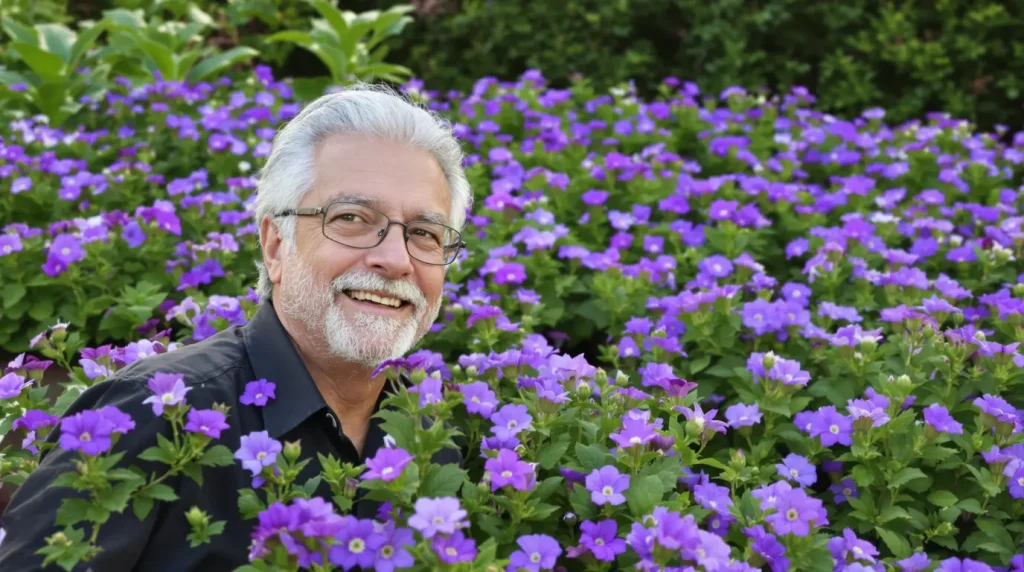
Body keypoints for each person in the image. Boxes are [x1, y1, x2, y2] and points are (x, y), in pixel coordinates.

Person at [0, 83, 473, 570]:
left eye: (424, 233)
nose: (395, 259)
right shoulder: (152, 416)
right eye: (351, 217)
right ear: (274, 246)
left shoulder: (428, 431)